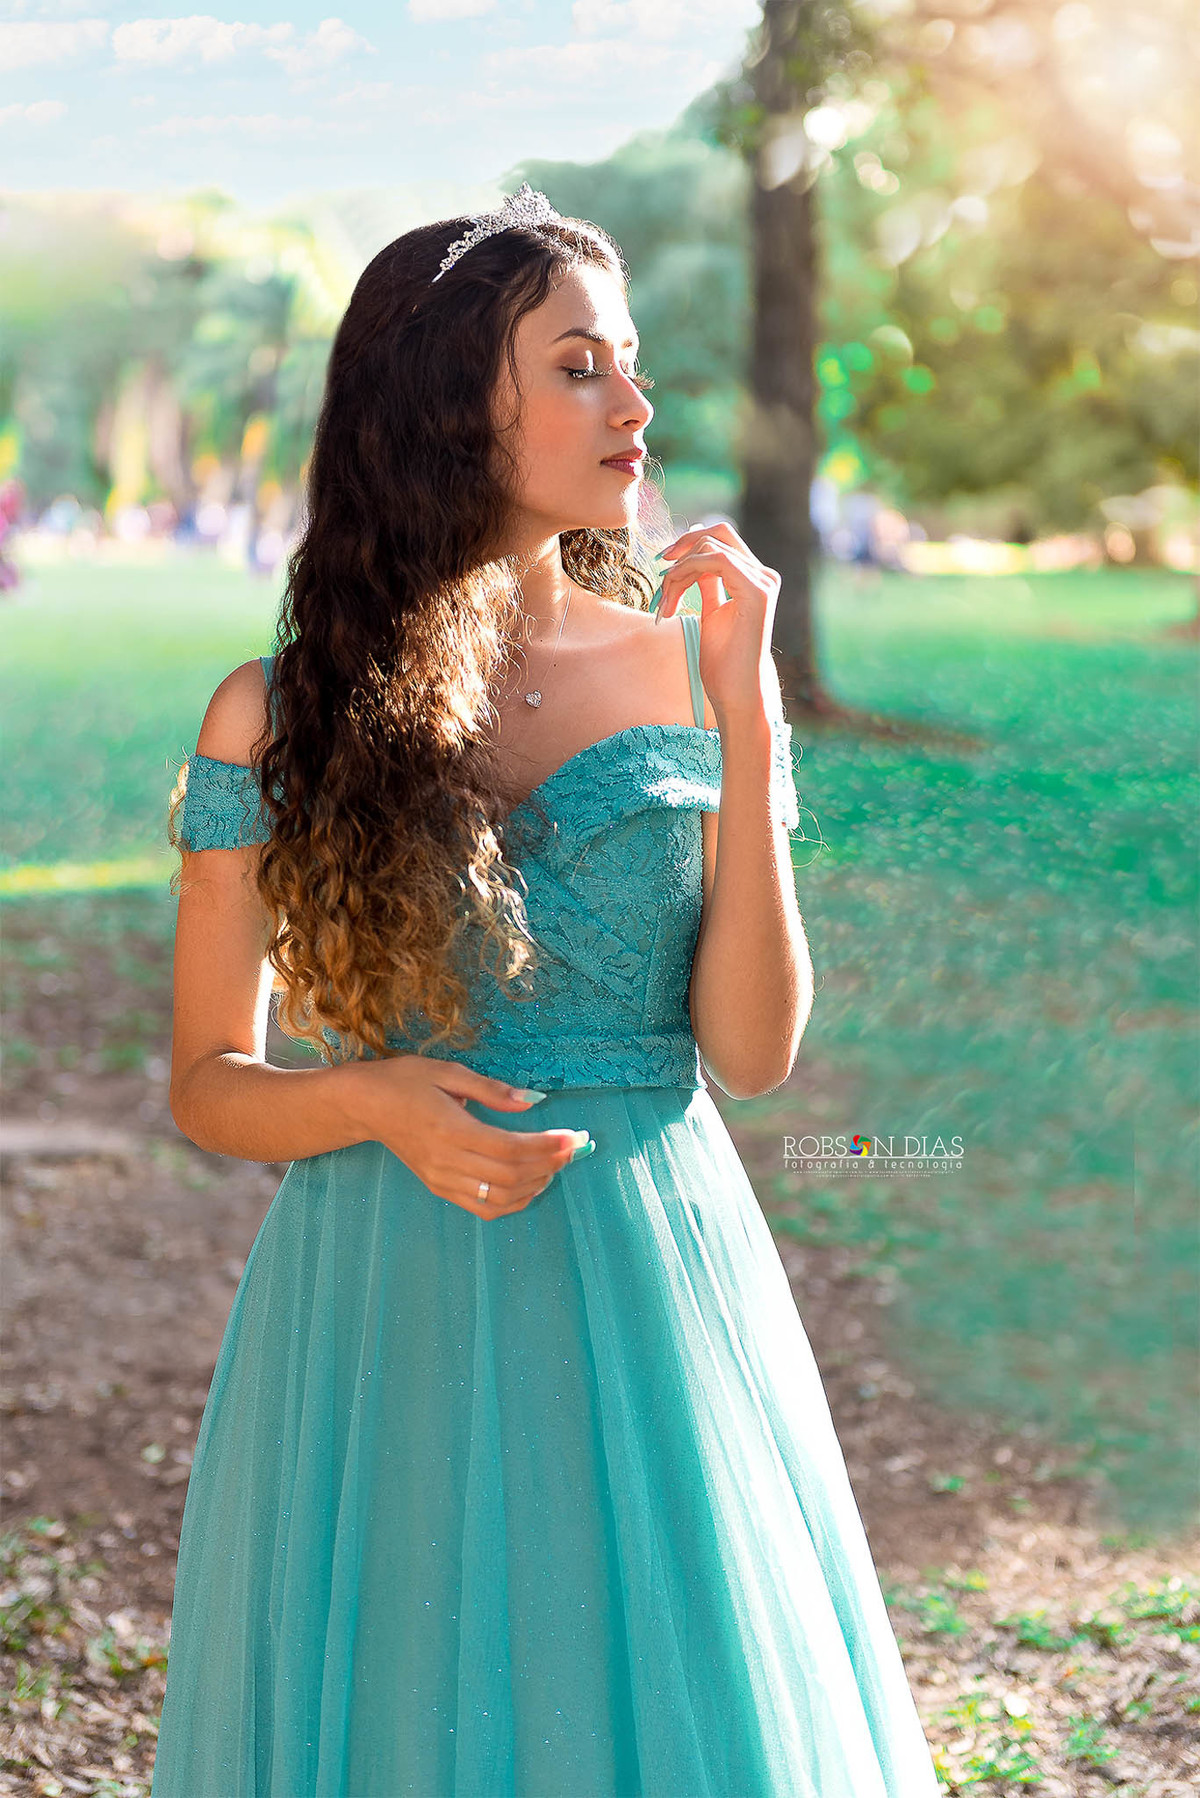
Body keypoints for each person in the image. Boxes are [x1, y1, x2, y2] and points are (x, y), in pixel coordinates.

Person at [151, 186, 940, 1796]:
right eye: (581, 366)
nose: (636, 407)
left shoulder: (681, 670)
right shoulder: (275, 714)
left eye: (630, 363)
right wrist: (366, 1096)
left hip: (651, 1275)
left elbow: (755, 1049)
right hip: (382, 1292)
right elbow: (205, 1078)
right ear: (451, 401)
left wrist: (747, 715)